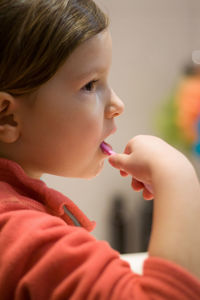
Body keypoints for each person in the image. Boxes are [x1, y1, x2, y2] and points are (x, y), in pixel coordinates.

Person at [0, 0, 199, 299]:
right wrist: (178, 175)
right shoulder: (18, 232)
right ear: (8, 117)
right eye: (91, 85)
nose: (117, 105)